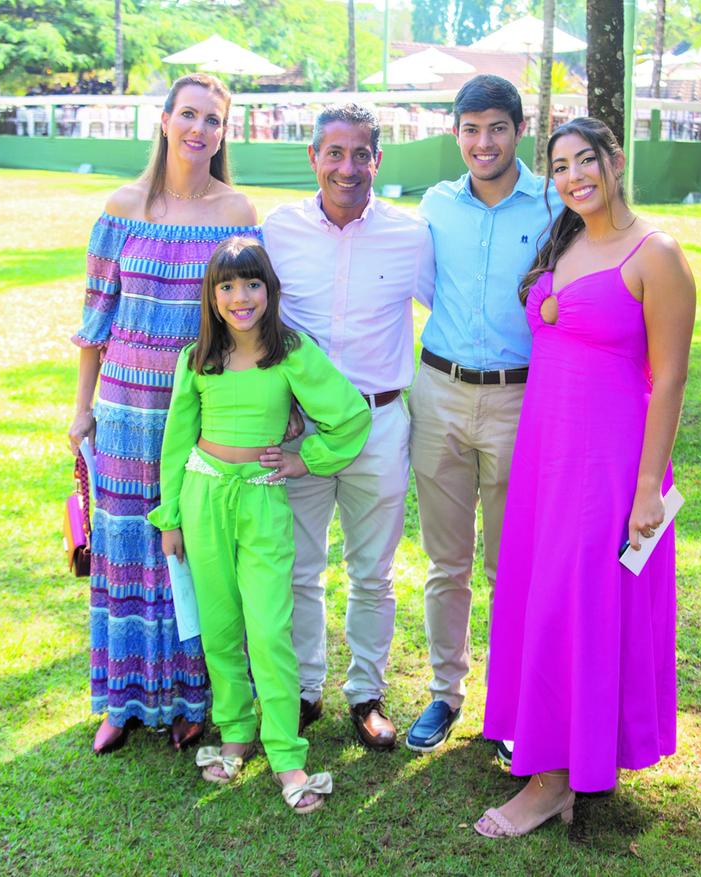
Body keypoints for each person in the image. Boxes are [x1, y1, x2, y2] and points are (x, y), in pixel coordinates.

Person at [477, 117, 696, 838]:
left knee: (576, 608)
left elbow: (667, 381)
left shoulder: (655, 254)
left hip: (608, 464)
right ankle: (556, 757)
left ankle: (551, 782)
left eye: (586, 161)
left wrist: (643, 490)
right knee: (541, 598)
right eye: (561, 165)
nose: (574, 176)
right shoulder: (565, 240)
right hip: (547, 456)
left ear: (617, 159)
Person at [68, 73, 260, 755]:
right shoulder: (122, 207)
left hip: (199, 411)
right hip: (123, 407)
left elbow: (251, 316)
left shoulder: (237, 210)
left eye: (213, 119)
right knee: (126, 553)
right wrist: (81, 409)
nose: (198, 129)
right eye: (188, 114)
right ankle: (121, 699)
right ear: (164, 120)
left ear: (223, 131)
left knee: (193, 553)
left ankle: (189, 697)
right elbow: (95, 320)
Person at [149, 237, 371, 812]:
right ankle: (236, 732)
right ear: (212, 295)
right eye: (227, 286)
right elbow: (176, 444)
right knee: (220, 628)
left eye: (252, 284)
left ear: (270, 290)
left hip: (263, 501)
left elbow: (349, 416)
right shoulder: (197, 358)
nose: (240, 297)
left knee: (269, 629)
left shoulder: (289, 353)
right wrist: (171, 515)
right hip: (202, 499)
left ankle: (287, 754)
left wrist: (306, 459)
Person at [263, 104, 435, 750]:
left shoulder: (410, 235)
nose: (347, 166)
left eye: (360, 153)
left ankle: (366, 691)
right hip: (301, 430)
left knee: (373, 572)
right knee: (300, 568)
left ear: (377, 161)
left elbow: (448, 310)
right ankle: (305, 690)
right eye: (334, 153)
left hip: (379, 422)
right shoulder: (278, 231)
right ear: (313, 158)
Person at [406, 75, 554, 760]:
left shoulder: (555, 205)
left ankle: (513, 706)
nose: (482, 142)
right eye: (469, 128)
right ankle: (445, 690)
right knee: (447, 559)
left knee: (510, 562)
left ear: (518, 130)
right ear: (455, 132)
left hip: (520, 399)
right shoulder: (435, 204)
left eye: (495, 127)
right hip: (437, 392)